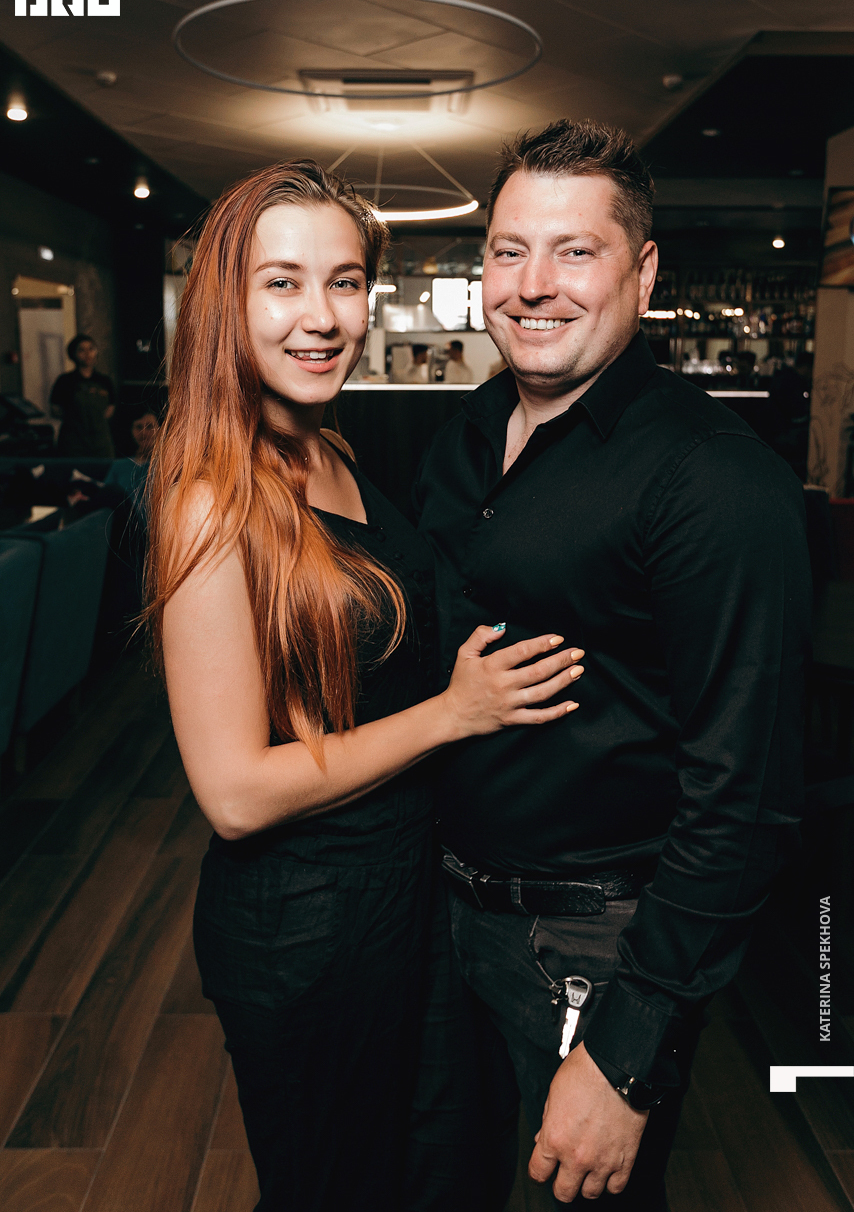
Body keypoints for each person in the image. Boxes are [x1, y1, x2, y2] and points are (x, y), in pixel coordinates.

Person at [143, 159, 585, 1212]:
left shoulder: (331, 450)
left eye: (345, 282)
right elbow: (233, 792)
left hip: (408, 893)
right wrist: (453, 714)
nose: (323, 316)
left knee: (437, 1174)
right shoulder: (212, 498)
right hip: (305, 925)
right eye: (283, 283)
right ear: (225, 302)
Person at [414, 119, 811, 1209]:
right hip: (437, 907)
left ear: (642, 272)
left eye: (574, 251)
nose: (533, 284)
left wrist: (629, 1048)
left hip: (589, 946)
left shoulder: (714, 478)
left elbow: (747, 794)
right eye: (508, 251)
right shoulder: (463, 435)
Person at [50, 333, 115, 457]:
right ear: (73, 353)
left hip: (100, 441)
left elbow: (110, 408)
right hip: (73, 442)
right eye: (81, 350)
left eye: (91, 349)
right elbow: (55, 408)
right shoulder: (65, 381)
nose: (87, 354)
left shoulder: (104, 381)